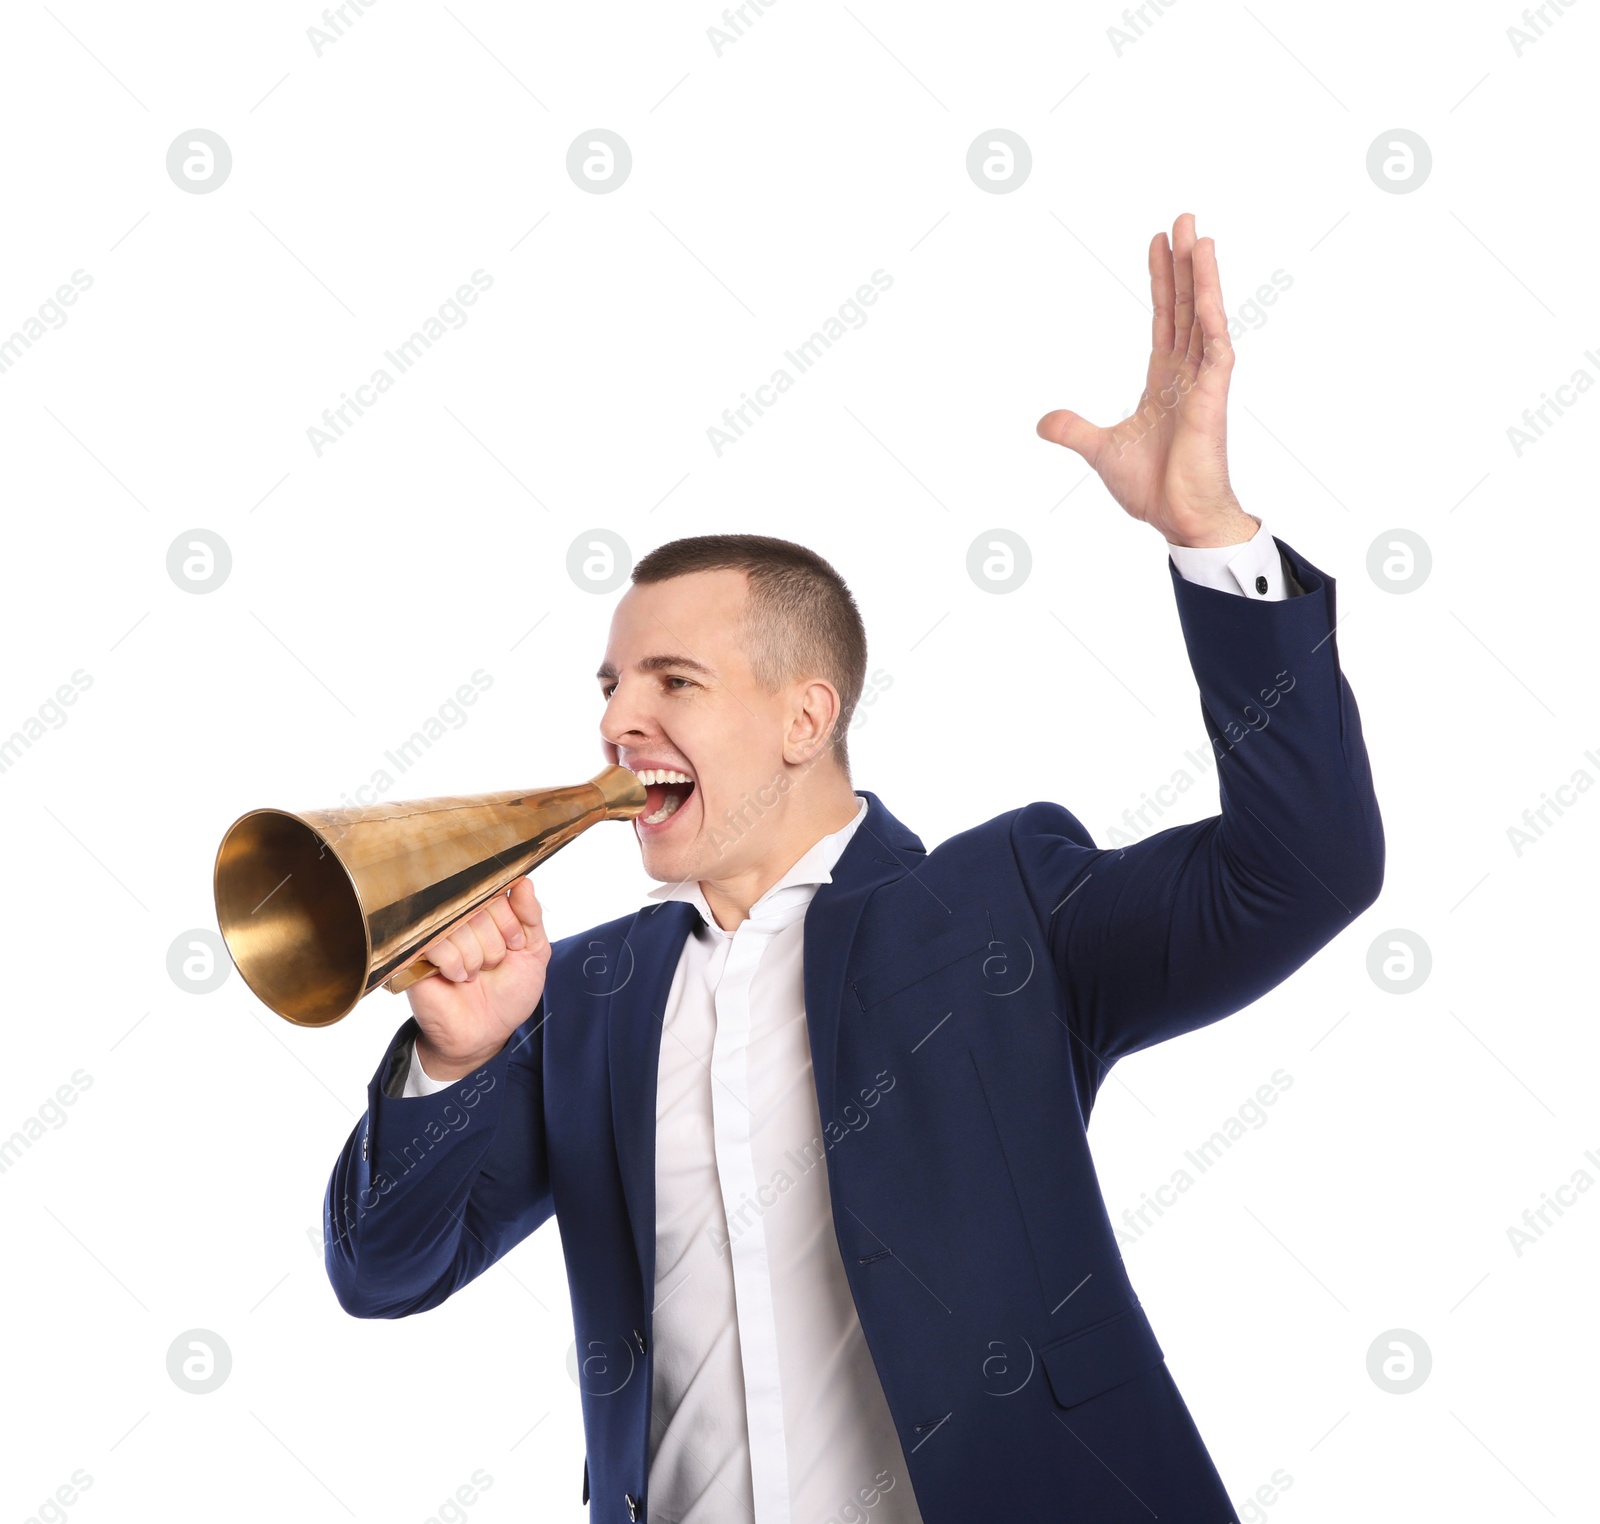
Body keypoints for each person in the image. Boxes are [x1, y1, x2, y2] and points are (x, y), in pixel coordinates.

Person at [324, 212, 1383, 1524]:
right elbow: (381, 1272)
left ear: (803, 719)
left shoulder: (1002, 907)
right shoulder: (584, 996)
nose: (614, 721)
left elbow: (1307, 868)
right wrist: (458, 1063)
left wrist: (1208, 530)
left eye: (674, 681)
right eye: (609, 687)